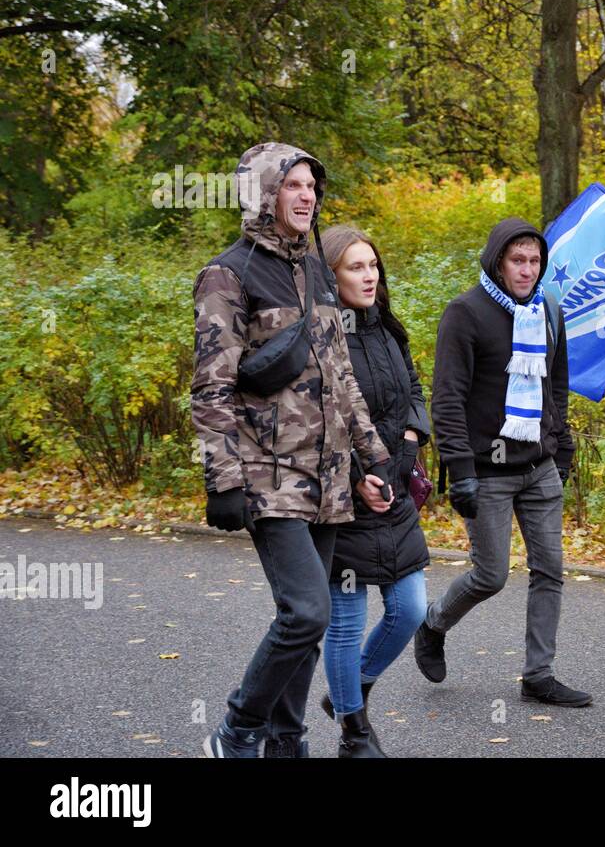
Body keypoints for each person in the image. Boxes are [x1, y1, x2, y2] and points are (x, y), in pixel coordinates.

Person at [192, 142, 394, 758]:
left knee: (311, 626)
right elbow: (212, 384)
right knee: (305, 613)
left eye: (312, 185)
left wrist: (373, 457)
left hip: (328, 476)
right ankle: (236, 729)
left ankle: (285, 741)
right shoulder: (227, 274)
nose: (307, 195)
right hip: (266, 472)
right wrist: (222, 477)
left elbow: (342, 377)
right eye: (291, 185)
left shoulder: (313, 273)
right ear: (261, 193)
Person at [411, 217, 591, 707]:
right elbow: (446, 398)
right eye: (518, 260)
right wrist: (460, 469)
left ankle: (539, 675)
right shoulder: (465, 313)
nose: (527, 270)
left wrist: (563, 445)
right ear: (497, 260)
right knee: (490, 575)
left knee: (550, 570)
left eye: (535, 261)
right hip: (487, 469)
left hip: (539, 465)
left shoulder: (549, 309)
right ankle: (432, 624)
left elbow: (556, 385)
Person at [316, 225, 432, 758]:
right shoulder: (319, 331)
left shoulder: (386, 325)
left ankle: (349, 692)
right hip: (344, 498)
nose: (369, 276)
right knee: (344, 620)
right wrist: (355, 478)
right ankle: (353, 732)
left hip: (395, 486)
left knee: (409, 608)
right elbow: (317, 421)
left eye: (372, 265)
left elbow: (412, 387)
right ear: (331, 275)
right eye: (355, 267)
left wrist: (410, 439)